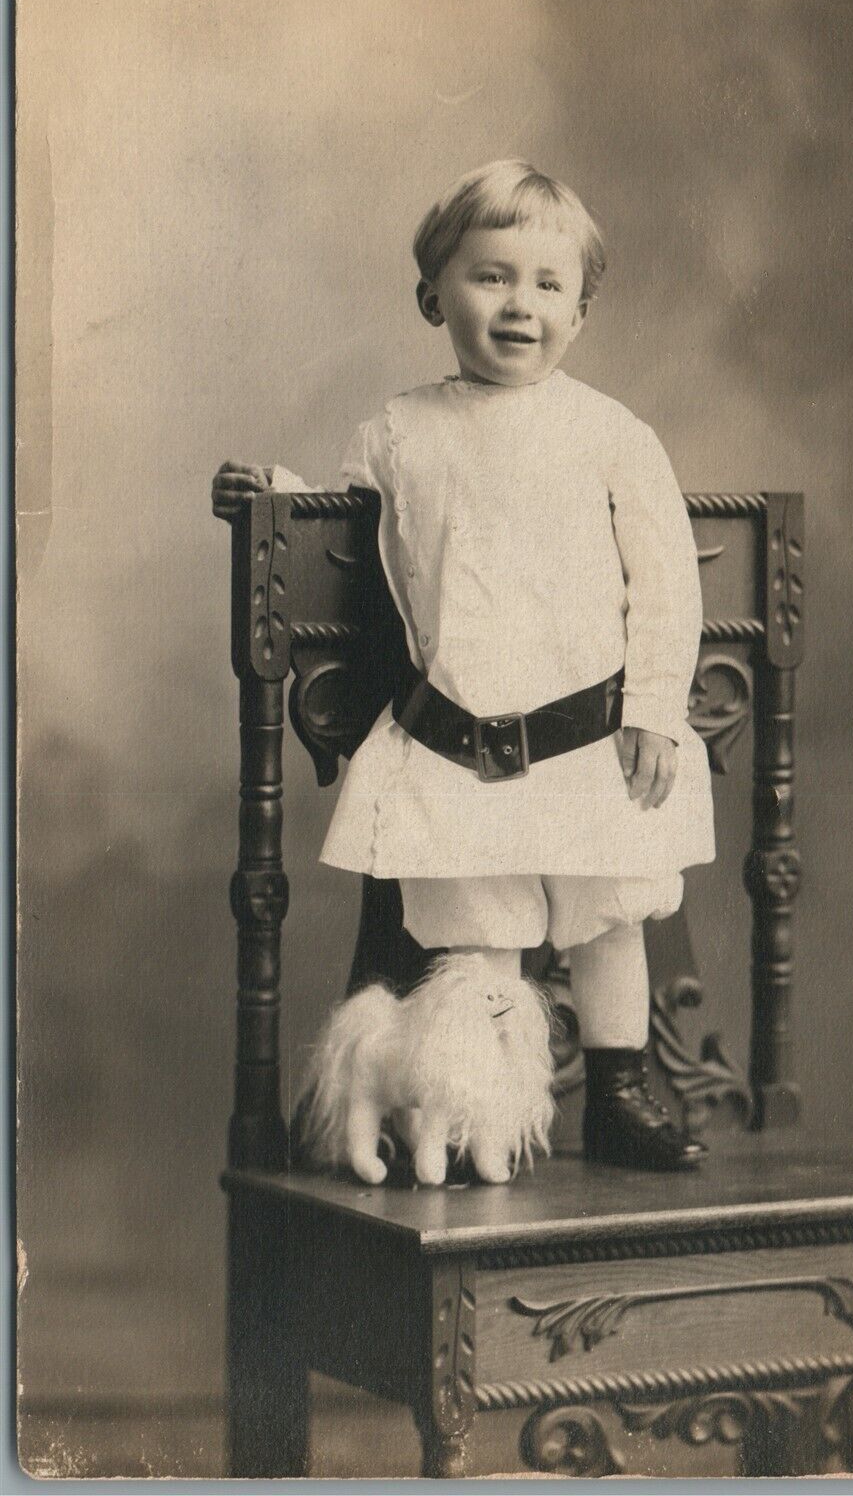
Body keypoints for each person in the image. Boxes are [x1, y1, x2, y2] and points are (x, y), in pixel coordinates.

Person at [213, 160, 715, 1170]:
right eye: (490, 276)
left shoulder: (612, 436)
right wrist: (276, 497)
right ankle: (483, 1114)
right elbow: (344, 540)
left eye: (547, 284)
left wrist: (655, 708)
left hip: (589, 735)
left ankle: (618, 1092)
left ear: (580, 312)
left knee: (608, 918)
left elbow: (667, 581)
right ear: (433, 295)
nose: (520, 304)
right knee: (480, 946)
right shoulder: (397, 433)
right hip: (457, 742)